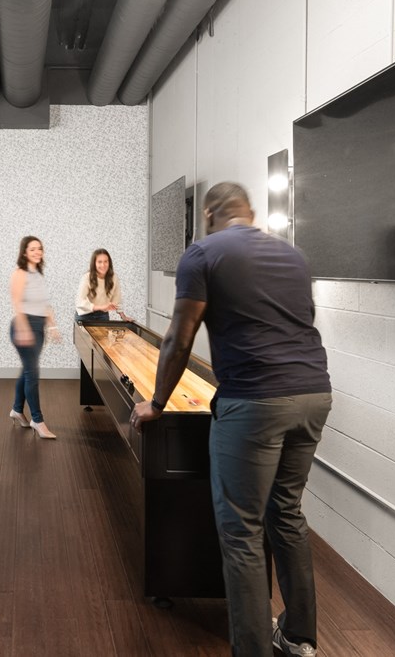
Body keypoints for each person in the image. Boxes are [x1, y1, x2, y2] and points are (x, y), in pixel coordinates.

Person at [130, 182, 332, 657]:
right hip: (314, 394)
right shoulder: (294, 257)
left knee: (241, 532)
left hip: (254, 402)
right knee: (286, 515)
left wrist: (157, 403)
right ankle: (300, 638)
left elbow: (179, 338)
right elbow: (301, 321)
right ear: (251, 212)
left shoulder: (201, 254)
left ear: (209, 213)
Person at [9, 235, 60, 440]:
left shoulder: (38, 274)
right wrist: (24, 329)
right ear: (24, 253)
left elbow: (46, 305)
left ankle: (16, 409)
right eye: (32, 249)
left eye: (40, 248)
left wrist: (52, 326)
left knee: (28, 370)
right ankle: (38, 421)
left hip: (38, 328)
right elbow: (17, 303)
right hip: (24, 326)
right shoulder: (20, 273)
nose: (37, 252)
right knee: (33, 373)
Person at [75, 248, 131, 322]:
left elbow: (117, 298)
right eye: (99, 262)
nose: (103, 265)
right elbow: (79, 302)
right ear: (94, 263)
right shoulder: (87, 277)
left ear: (109, 263)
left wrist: (123, 316)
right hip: (84, 315)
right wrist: (100, 307)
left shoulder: (114, 277)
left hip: (102, 315)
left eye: (106, 261)